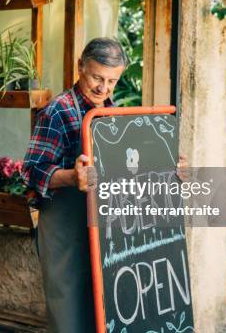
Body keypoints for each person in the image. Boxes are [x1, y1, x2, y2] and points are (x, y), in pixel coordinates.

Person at [22, 37, 187, 332]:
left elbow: (132, 170)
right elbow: (32, 171)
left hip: (108, 232)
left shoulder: (116, 115)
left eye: (112, 80)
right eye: (97, 77)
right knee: (70, 313)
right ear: (80, 67)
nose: (104, 88)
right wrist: (72, 177)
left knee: (107, 312)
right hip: (66, 231)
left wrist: (170, 169)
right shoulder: (57, 111)